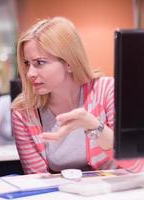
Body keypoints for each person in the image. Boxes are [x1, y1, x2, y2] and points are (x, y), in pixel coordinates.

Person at [11, 16, 144, 174]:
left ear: (69, 63)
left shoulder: (107, 90)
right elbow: (36, 182)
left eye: (40, 62)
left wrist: (93, 125)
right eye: (27, 64)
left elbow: (137, 166)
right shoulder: (24, 112)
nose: (29, 73)